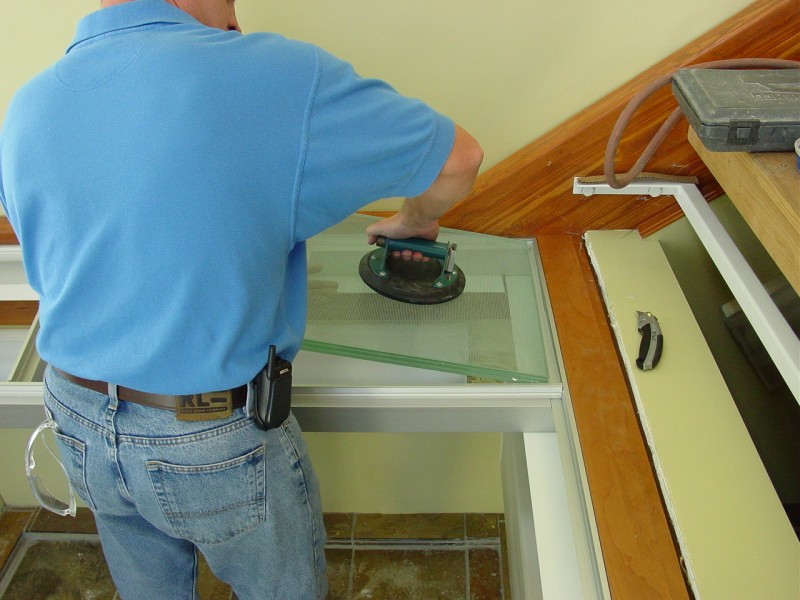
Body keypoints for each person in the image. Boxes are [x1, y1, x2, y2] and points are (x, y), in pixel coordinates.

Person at [0, 0, 482, 598]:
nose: (235, 17)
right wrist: (412, 221)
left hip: (75, 416)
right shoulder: (273, 72)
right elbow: (458, 161)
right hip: (208, 431)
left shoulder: (29, 104)